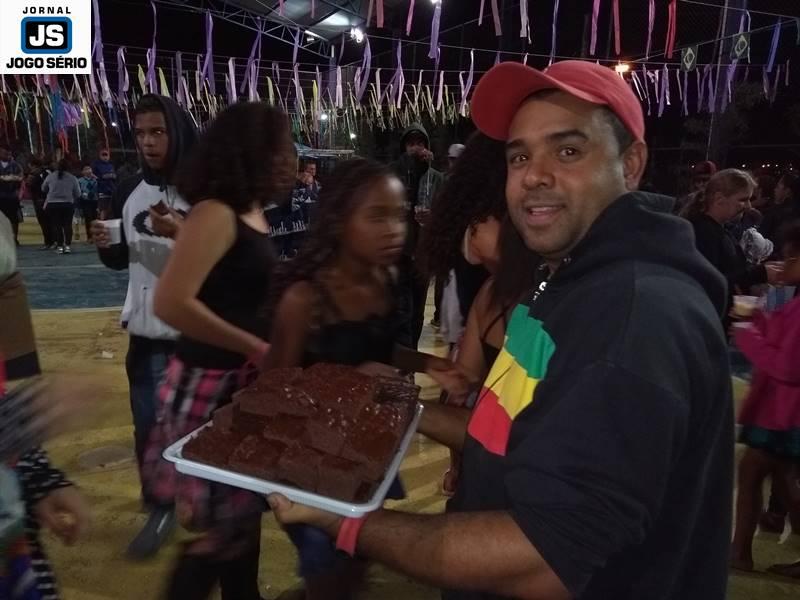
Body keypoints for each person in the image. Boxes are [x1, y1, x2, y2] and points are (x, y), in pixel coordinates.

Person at [269, 60, 733, 600]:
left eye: (567, 150)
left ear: (630, 164)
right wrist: (400, 408)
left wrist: (346, 522)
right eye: (519, 156)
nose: (534, 175)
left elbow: (545, 560)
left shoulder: (634, 316)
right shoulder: (558, 285)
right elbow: (506, 429)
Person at [266, 158, 462, 600]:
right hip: (311, 459)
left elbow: (378, 350)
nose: (394, 230)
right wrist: (349, 382)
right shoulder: (305, 298)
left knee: (359, 546)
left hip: (368, 447)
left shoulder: (386, 278)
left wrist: (429, 364)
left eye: (399, 215)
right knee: (326, 560)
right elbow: (272, 390)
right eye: (377, 217)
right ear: (338, 222)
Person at [145, 102, 295, 600]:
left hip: (240, 383)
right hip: (209, 383)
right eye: (279, 146)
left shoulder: (247, 210)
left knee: (240, 513)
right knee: (225, 522)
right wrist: (253, 344)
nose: (288, 158)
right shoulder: (217, 210)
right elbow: (170, 302)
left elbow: (228, 275)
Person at [90, 93, 197, 559]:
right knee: (150, 426)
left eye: (158, 131)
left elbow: (227, 262)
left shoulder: (207, 190)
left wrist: (183, 232)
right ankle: (160, 504)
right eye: (140, 134)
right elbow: (120, 260)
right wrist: (105, 243)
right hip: (149, 335)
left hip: (201, 337)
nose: (148, 142)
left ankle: (202, 499)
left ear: (178, 131)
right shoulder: (127, 188)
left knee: (204, 426)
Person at [730, 221, 800, 574]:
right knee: (772, 477)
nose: (783, 265)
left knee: (763, 475)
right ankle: (739, 552)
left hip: (784, 412)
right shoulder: (795, 302)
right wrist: (758, 318)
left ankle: (739, 553)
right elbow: (784, 338)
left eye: (790, 258)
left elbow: (788, 366)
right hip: (779, 411)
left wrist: (747, 336)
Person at [689, 169, 782, 319]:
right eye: (743, 199)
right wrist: (759, 273)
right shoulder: (702, 232)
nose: (749, 206)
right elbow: (708, 282)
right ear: (719, 198)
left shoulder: (720, 229)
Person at [391, 123, 439, 348]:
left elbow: (447, 213)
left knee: (418, 311)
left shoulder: (435, 178)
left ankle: (411, 354)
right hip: (398, 254)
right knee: (400, 311)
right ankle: (401, 358)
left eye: (420, 143)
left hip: (423, 256)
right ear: (404, 147)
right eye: (411, 143)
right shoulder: (394, 173)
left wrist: (434, 218)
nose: (416, 148)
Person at [42, 159, 80, 255]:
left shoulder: (50, 176)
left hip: (53, 204)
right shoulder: (73, 178)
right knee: (68, 225)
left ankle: (59, 246)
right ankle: (67, 246)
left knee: (56, 226)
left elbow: (43, 188)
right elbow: (78, 193)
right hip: (67, 204)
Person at [760, 172, 800, 254]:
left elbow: (760, 242)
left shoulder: (776, 212)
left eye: (778, 186)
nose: (775, 190)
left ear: (787, 191)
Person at [27, 158, 54, 250]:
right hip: (45, 200)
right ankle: (51, 242)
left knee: (46, 222)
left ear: (34, 166)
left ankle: (50, 242)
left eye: (31, 167)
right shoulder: (48, 172)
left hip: (42, 200)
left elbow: (29, 185)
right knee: (47, 222)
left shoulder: (37, 174)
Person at [0, 146, 24, 245]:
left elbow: (21, 177)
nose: (7, 155)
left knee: (14, 219)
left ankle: (14, 238)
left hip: (12, 196)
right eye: (4, 153)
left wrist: (14, 179)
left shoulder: (16, 165)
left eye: (8, 153)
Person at [91, 147, 117, 217]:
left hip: (112, 191)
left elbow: (114, 177)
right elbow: (92, 176)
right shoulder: (95, 165)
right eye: (103, 155)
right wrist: (100, 179)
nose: (105, 157)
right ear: (99, 155)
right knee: (103, 209)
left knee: (112, 209)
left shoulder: (111, 165)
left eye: (106, 155)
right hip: (102, 191)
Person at [78, 165, 99, 243]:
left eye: (89, 169)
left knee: (95, 219)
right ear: (82, 172)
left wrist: (96, 178)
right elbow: (78, 191)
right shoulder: (80, 180)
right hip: (86, 202)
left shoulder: (96, 180)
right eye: (86, 169)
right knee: (88, 219)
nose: (88, 171)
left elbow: (100, 187)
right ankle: (90, 237)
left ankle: (96, 236)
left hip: (95, 201)